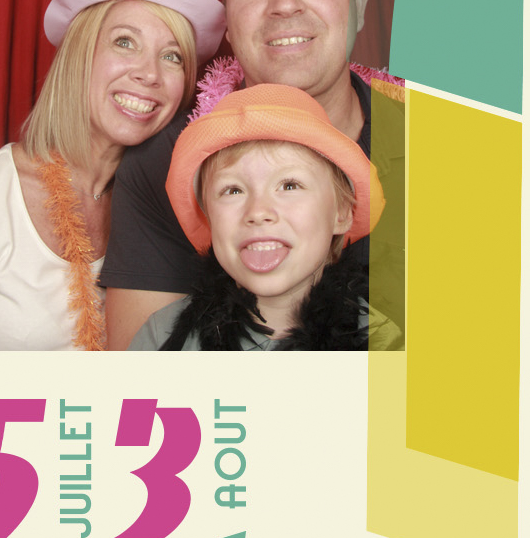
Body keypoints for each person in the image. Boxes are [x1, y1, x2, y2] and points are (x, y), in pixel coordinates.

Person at [102, 0, 402, 349]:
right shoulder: (161, 163)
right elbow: (143, 378)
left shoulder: (453, 149)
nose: (284, 4)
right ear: (228, 14)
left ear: (360, 0)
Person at [0, 0, 224, 351]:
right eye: (125, 42)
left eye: (173, 57)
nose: (150, 74)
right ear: (78, 55)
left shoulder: (178, 208)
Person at [130, 83, 400, 351]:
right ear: (209, 217)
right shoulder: (161, 340)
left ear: (341, 212)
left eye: (289, 186)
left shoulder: (385, 346)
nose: (258, 212)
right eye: (233, 190)